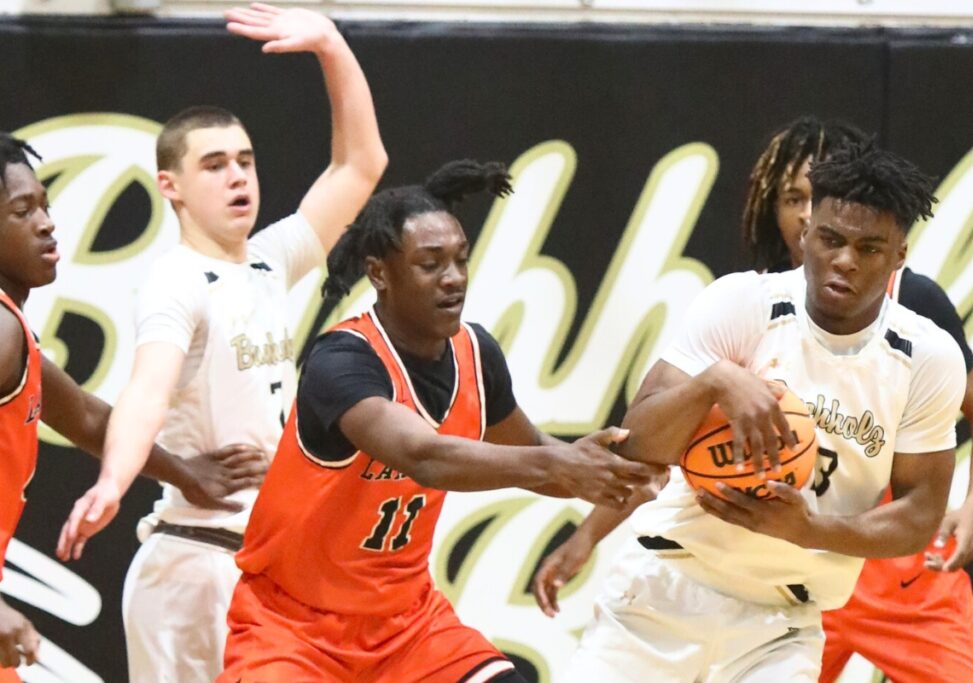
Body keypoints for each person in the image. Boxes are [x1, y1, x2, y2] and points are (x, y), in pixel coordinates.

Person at [534, 118, 973, 683]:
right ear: (805, 227)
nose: (845, 259)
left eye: (868, 246)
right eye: (804, 208)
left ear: (898, 253)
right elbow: (638, 449)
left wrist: (816, 528)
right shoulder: (744, 303)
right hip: (674, 582)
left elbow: (934, 493)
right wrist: (711, 384)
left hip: (819, 589)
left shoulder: (924, 342)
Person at [218, 160, 663, 682]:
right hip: (293, 628)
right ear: (379, 272)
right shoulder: (341, 361)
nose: (453, 278)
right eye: (431, 264)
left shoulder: (476, 354)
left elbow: (542, 458)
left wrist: (627, 469)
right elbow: (424, 456)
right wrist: (560, 461)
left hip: (407, 626)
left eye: (460, 260)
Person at [56, 4, 388, 681]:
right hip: (192, 566)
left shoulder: (267, 261)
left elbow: (361, 164)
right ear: (170, 187)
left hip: (259, 562)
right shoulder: (176, 281)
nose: (238, 176)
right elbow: (145, 392)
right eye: (214, 165)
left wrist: (330, 43)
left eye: (245, 160)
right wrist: (113, 481)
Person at [0, 135, 262, 678]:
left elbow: (91, 419)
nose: (47, 222)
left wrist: (184, 472)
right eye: (22, 211)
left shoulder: (13, 330)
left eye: (44, 204)